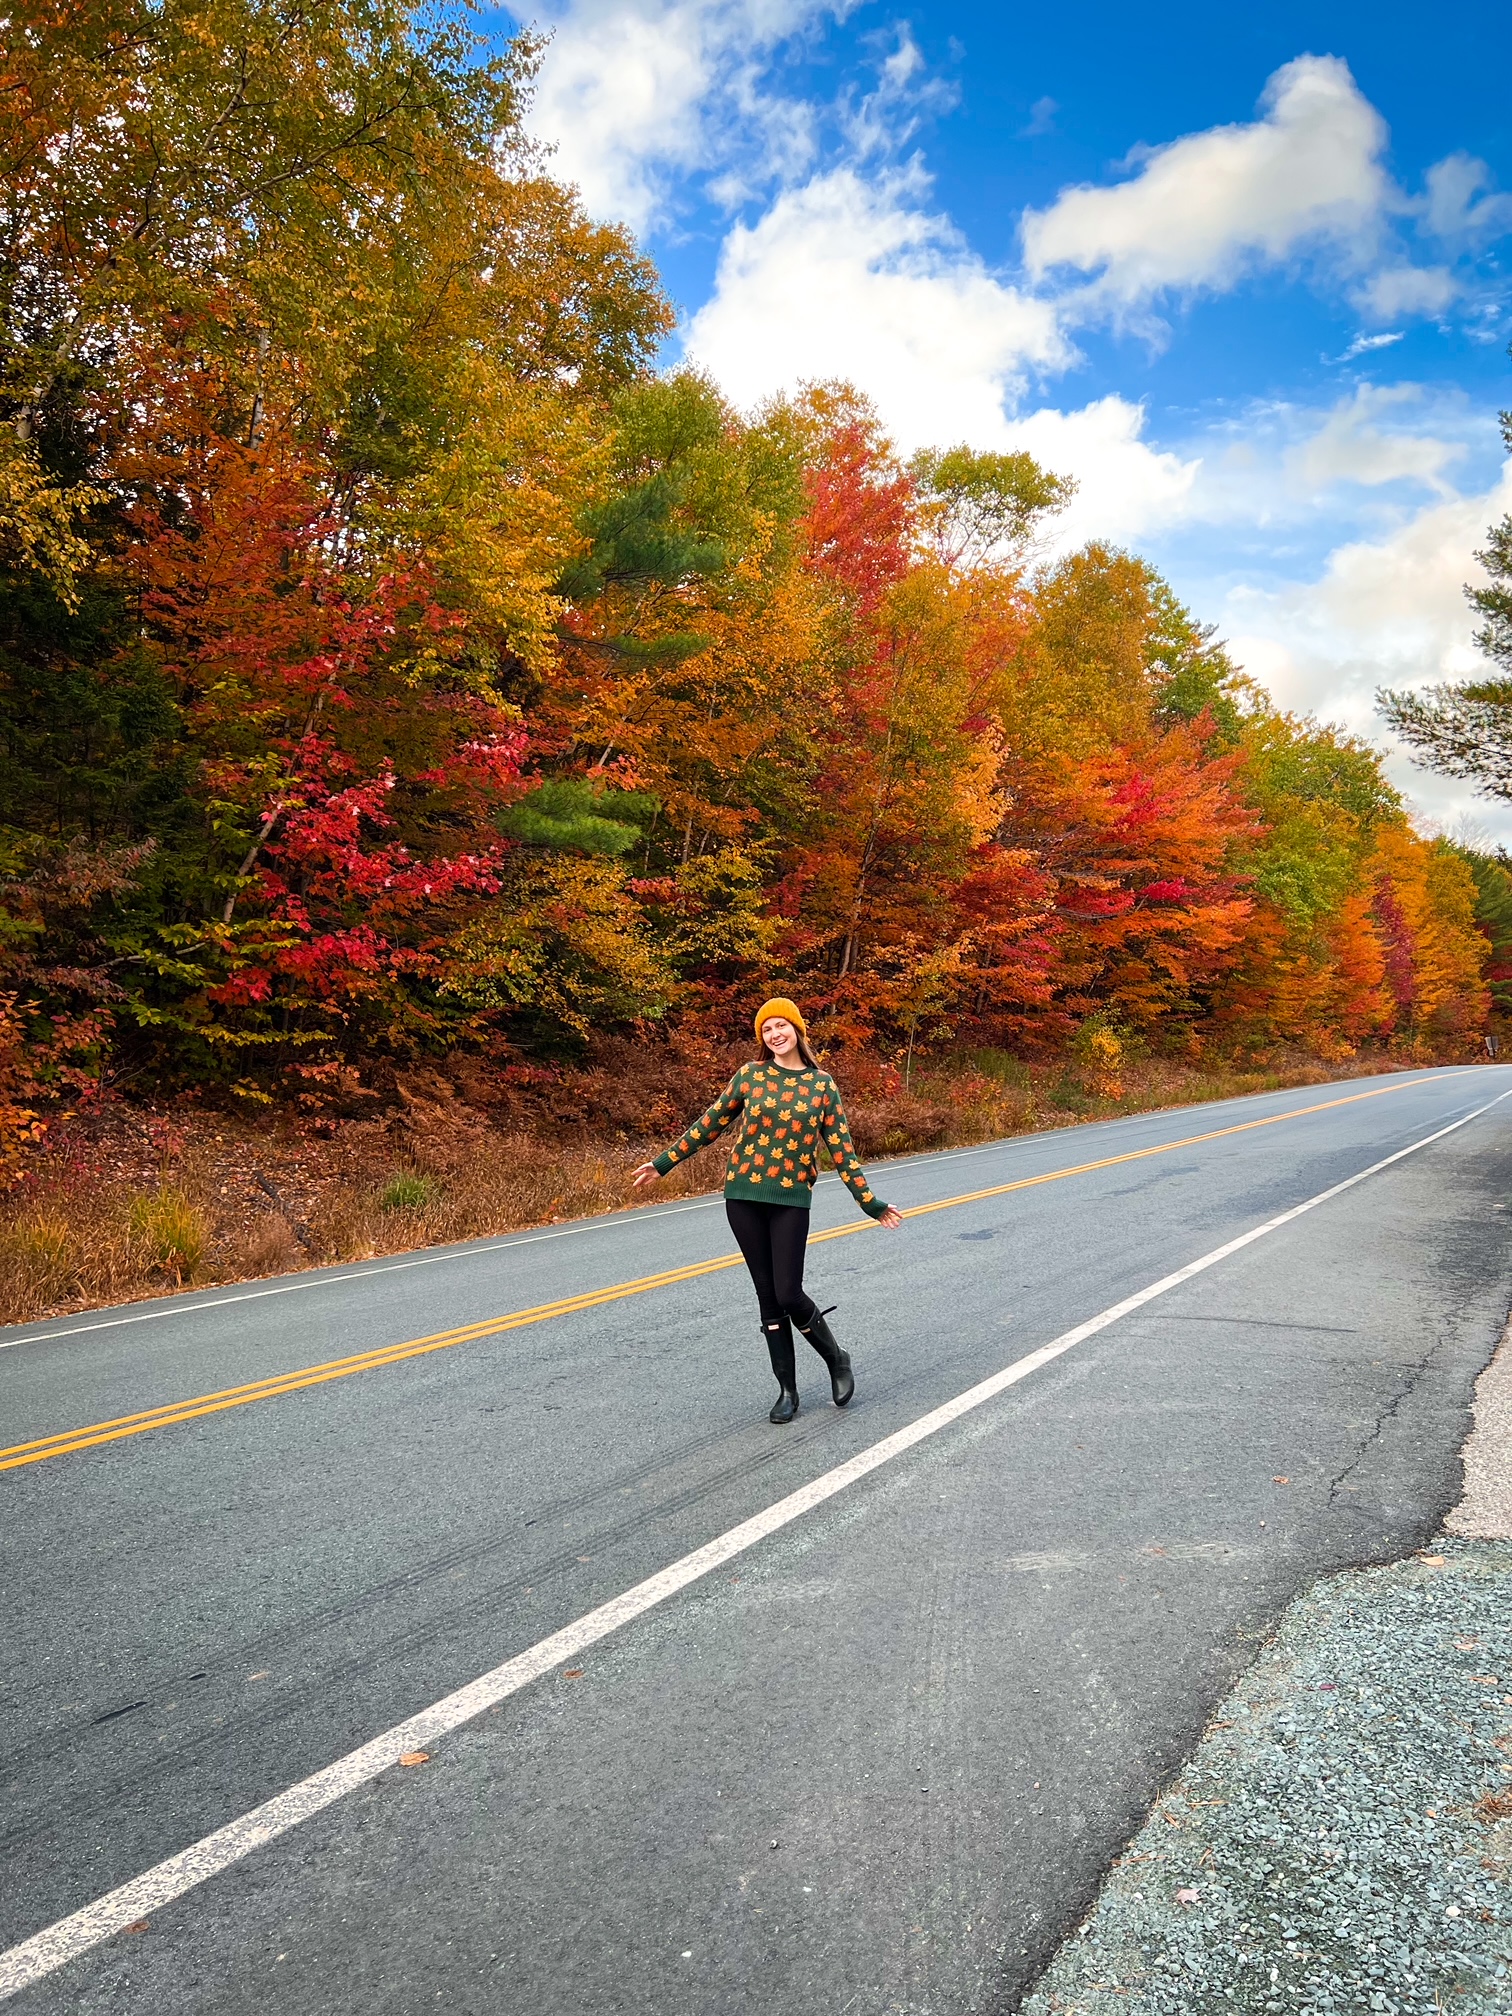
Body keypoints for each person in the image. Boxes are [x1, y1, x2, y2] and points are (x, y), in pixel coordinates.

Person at [632, 997, 903, 1423]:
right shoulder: (750, 1076)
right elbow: (709, 1123)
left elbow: (843, 1152)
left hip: (790, 1198)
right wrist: (663, 1163)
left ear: (797, 1030)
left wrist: (870, 1203)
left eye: (782, 1026)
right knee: (767, 1297)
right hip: (742, 1196)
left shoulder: (821, 1085)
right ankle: (787, 1390)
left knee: (788, 1292)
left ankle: (837, 1358)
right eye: (767, 1029)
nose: (775, 1035)